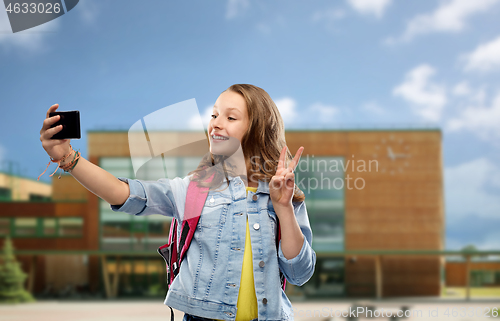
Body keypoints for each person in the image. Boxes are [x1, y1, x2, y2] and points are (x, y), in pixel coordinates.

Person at [39, 84, 316, 320]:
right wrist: (69, 159)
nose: (216, 123)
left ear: (258, 128)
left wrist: (283, 208)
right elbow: (125, 193)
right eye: (214, 114)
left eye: (231, 118)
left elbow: (299, 273)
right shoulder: (194, 190)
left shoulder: (284, 197)